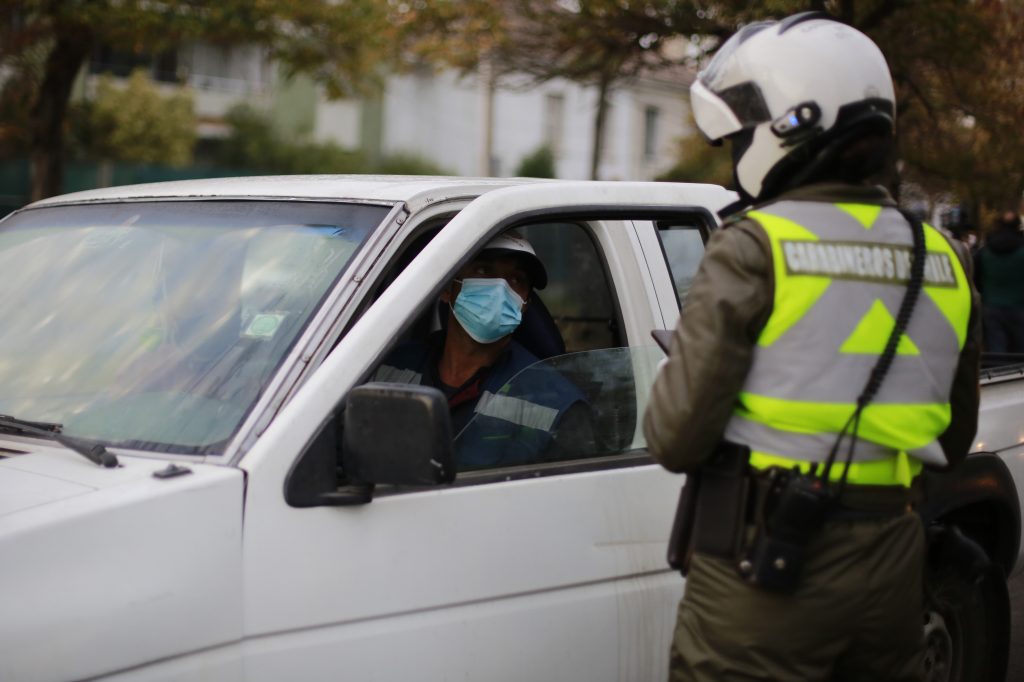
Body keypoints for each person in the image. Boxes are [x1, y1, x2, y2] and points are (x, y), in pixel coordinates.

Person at [643, 13, 980, 682]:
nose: (737, 151)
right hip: (893, 560)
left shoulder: (754, 245)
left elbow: (675, 438)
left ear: (792, 123)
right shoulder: (943, 255)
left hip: (766, 566)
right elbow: (955, 436)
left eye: (741, 133)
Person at [375, 230, 591, 469]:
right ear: (447, 289)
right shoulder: (389, 365)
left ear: (525, 304)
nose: (499, 290)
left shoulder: (557, 403)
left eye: (516, 280)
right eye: (483, 271)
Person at [974, 210, 1024, 355]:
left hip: (991, 307)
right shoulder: (1021, 250)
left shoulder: (985, 252)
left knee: (997, 351)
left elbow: (976, 279)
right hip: (1020, 306)